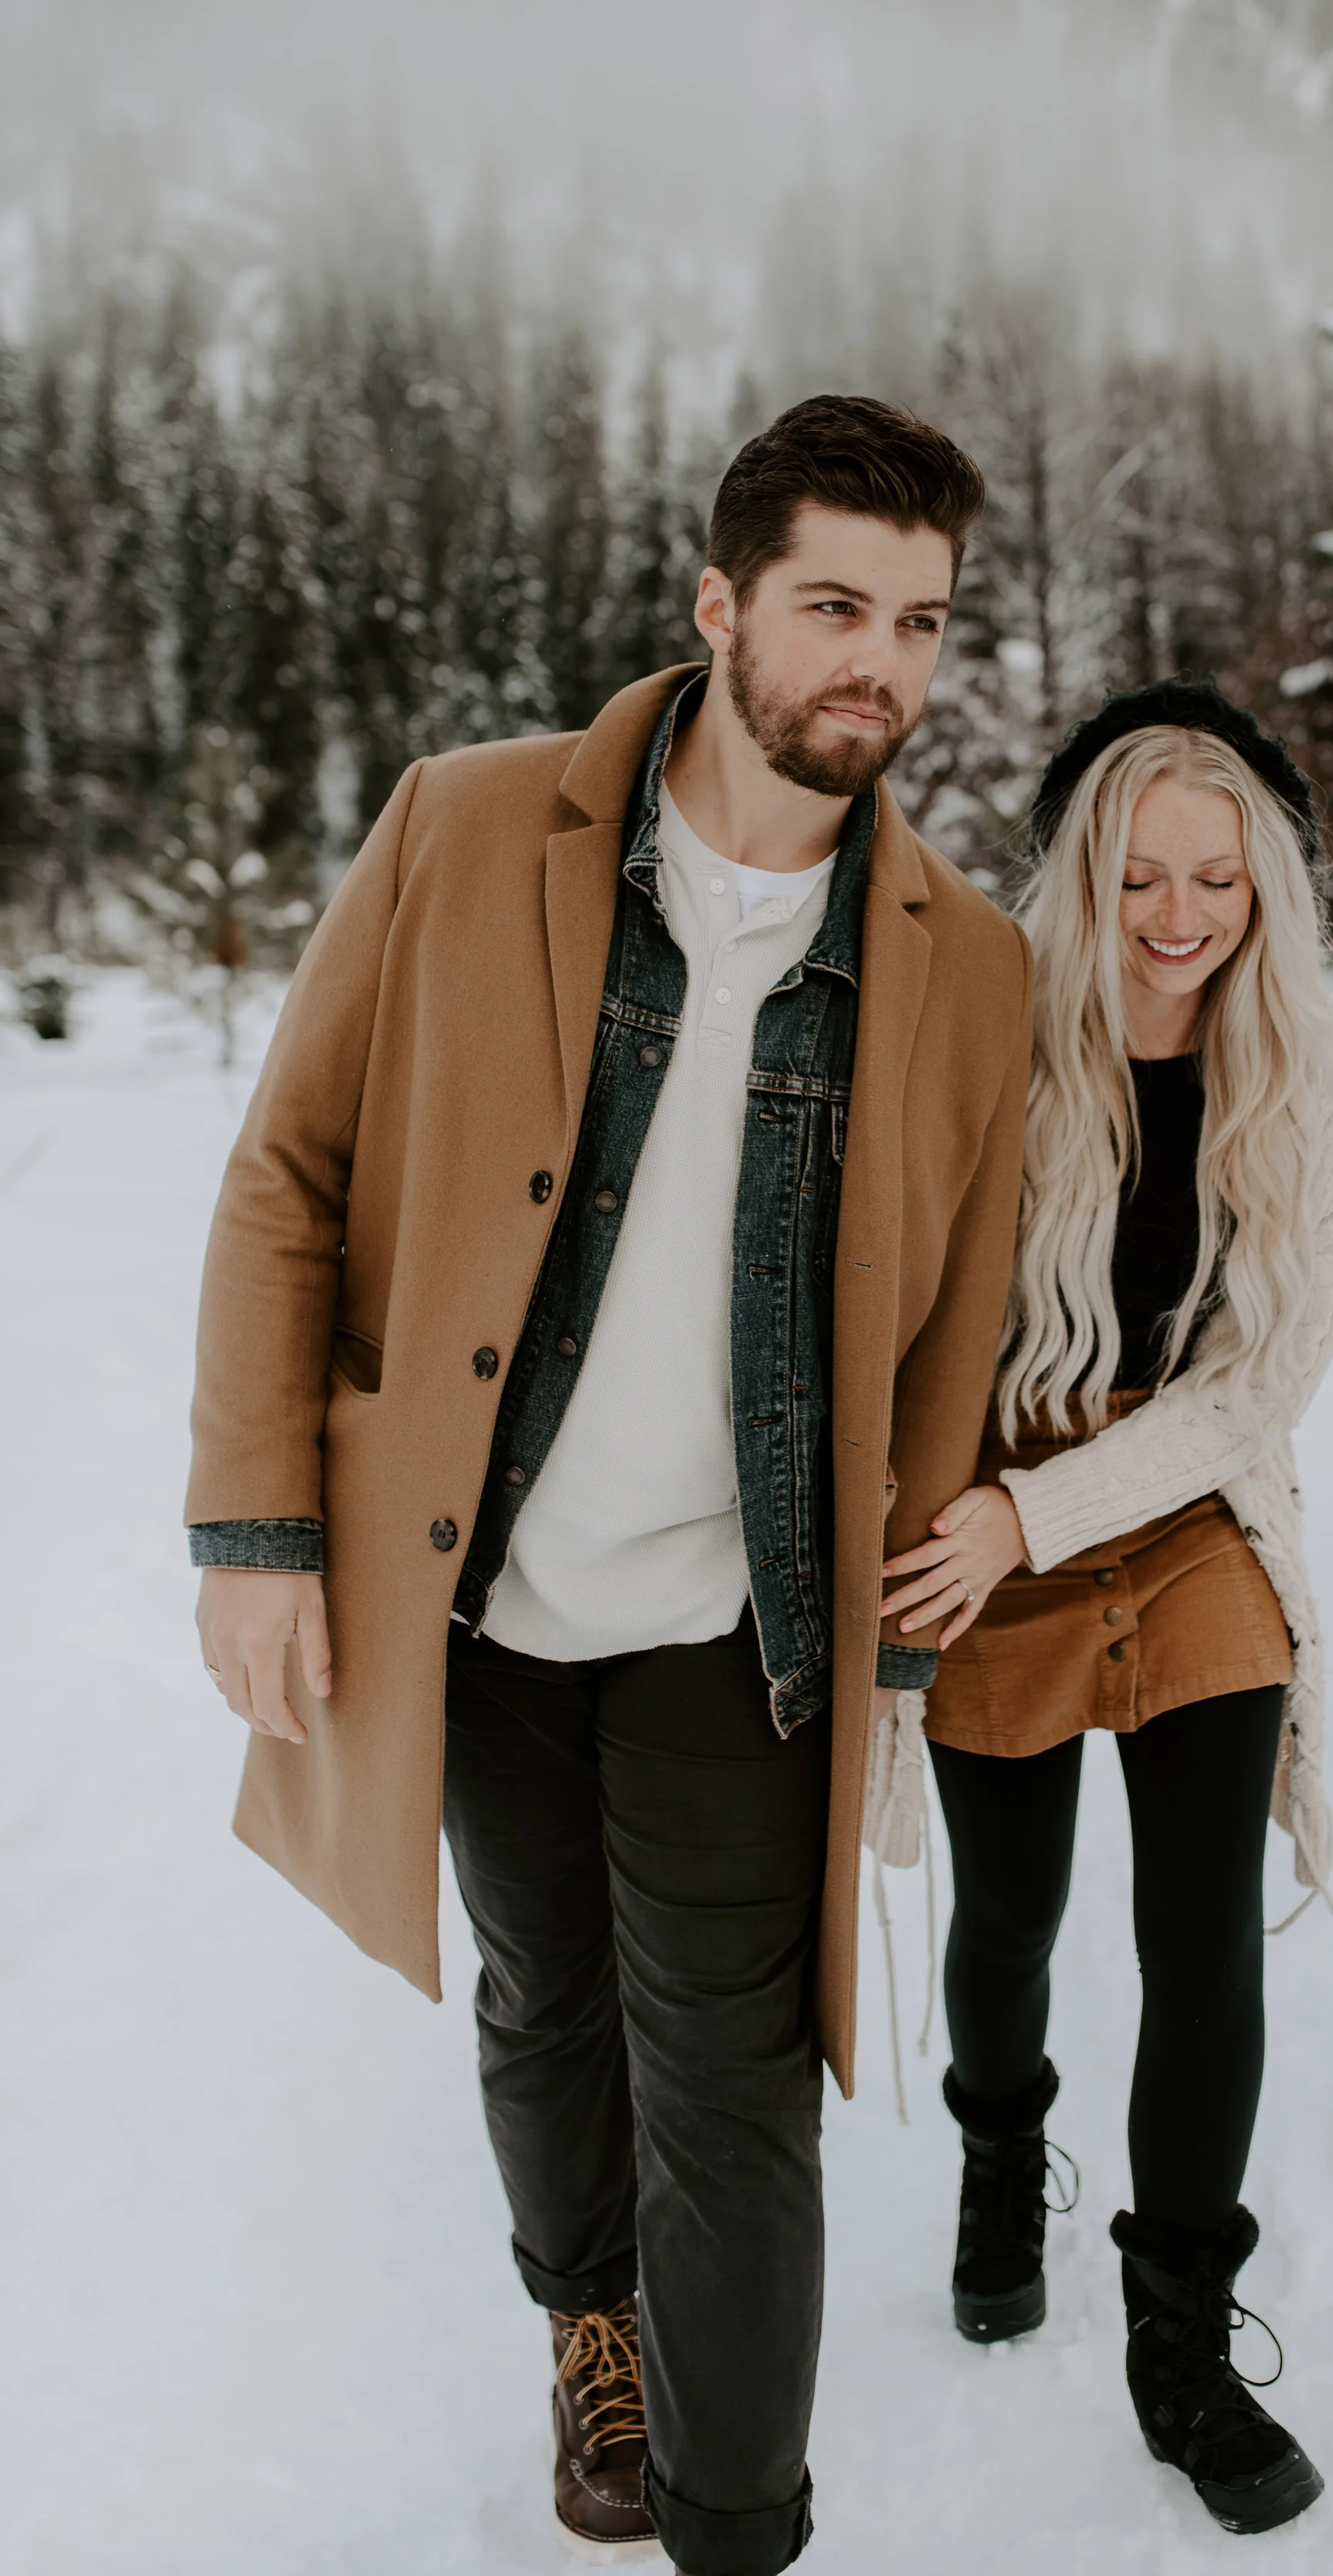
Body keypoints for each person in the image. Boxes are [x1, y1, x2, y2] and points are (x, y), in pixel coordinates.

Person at [187, 395, 1033, 2574]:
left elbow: (945, 1341)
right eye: (835, 605)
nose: (878, 664)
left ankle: (738, 2522)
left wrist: (893, 1666)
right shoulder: (473, 832)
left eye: (920, 623)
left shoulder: (962, 961)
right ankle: (593, 2327)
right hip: (467, 1595)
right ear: (719, 601)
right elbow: (291, 1176)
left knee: (734, 2098)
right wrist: (259, 1530)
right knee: (543, 2001)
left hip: (731, 1621)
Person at [881, 680, 1333, 2538]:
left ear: (1268, 893)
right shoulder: (986, 1029)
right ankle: (998, 2149)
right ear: (1083, 870)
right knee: (1006, 1916)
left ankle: (1175, 2346)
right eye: (1142, 878)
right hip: (974, 1516)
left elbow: (1259, 1388)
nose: (1177, 921)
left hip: (1176, 1504)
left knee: (1202, 1941)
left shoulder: (1308, 1071)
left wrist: (1047, 1512)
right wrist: (975, 1519)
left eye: (1218, 886)